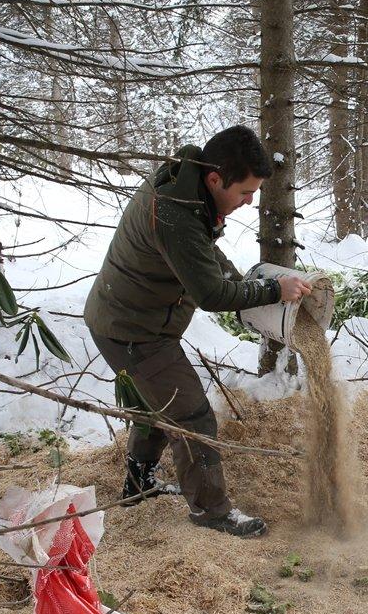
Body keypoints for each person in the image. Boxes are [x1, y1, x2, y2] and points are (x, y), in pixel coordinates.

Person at [83, 125, 312, 538]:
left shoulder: (187, 186)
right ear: (215, 178)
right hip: (132, 327)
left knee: (159, 408)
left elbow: (200, 251)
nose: (250, 201)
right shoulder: (176, 211)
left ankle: (139, 485)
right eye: (245, 192)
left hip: (128, 316)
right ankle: (211, 511)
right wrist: (271, 289)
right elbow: (208, 293)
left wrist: (243, 281)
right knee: (191, 415)